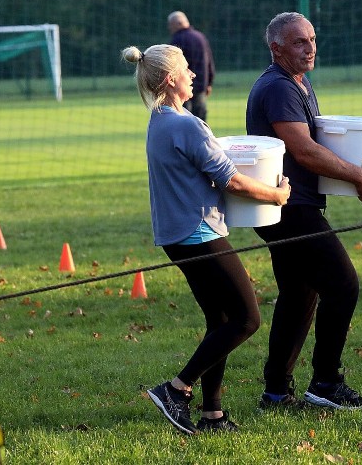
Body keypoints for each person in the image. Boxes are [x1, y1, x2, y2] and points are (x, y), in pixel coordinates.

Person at [122, 43, 291, 435]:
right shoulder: (186, 124)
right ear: (170, 79)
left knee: (221, 320)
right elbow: (230, 179)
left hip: (176, 236)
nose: (194, 74)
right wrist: (276, 195)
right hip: (199, 234)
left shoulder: (160, 121)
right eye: (187, 69)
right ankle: (177, 389)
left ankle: (212, 414)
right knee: (247, 318)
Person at [245, 12, 362, 410]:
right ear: (276, 48)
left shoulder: (298, 84)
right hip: (290, 209)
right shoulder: (278, 88)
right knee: (343, 285)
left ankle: (276, 391)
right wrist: (357, 176)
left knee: (299, 293)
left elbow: (316, 143)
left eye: (312, 39)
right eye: (299, 43)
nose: (310, 48)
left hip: (292, 206)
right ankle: (326, 382)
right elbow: (302, 150)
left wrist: (353, 169)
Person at [168, 11, 215, 122]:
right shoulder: (200, 37)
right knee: (200, 121)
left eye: (170, 25)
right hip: (200, 87)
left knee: (183, 120)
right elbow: (209, 62)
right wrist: (209, 83)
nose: (169, 28)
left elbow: (171, 66)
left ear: (178, 24)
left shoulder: (176, 40)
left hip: (182, 87)